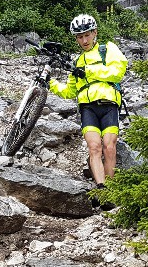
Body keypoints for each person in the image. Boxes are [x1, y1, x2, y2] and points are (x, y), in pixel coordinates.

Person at [49, 13, 128, 192]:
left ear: (94, 33)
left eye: (87, 35)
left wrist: (89, 71)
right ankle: (101, 189)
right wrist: (51, 83)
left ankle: (110, 189)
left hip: (109, 104)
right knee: (94, 147)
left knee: (109, 147)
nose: (84, 40)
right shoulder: (77, 61)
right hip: (87, 108)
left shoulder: (107, 49)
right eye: (79, 37)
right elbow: (69, 91)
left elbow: (118, 71)